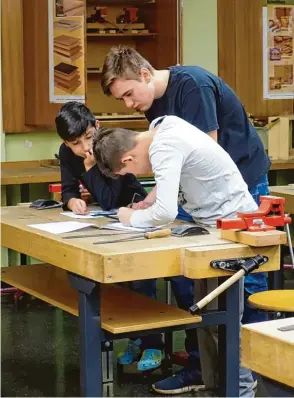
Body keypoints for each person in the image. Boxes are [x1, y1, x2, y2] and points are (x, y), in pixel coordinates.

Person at [101, 46, 269, 392]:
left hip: (240, 190)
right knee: (197, 289)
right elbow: (170, 173)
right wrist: (150, 202)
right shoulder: (157, 113)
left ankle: (257, 374)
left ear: (145, 74)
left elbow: (201, 155)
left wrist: (138, 216)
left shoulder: (192, 86)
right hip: (206, 203)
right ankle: (206, 373)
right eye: (122, 100)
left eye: (129, 94)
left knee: (242, 290)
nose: (129, 105)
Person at [55, 101, 163, 370]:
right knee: (118, 286)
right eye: (74, 143)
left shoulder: (108, 147)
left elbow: (110, 199)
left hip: (135, 211)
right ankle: (134, 340)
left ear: (97, 126)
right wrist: (71, 202)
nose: (83, 148)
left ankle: (153, 343)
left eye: (88, 138)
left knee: (141, 280)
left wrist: (91, 167)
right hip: (111, 221)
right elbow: (68, 189)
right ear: (65, 143)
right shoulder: (67, 153)